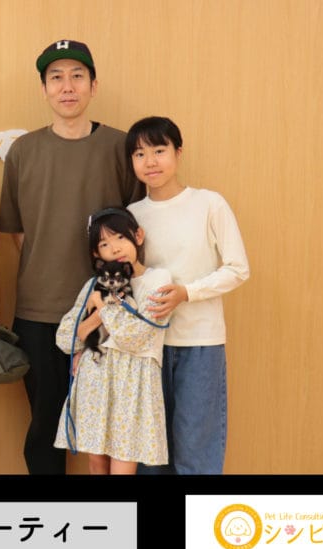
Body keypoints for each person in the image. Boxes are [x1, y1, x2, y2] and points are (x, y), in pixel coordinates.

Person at [0, 39, 143, 474]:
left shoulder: (121, 147)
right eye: (56, 78)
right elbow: (19, 232)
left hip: (110, 310)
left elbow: (135, 228)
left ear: (93, 86)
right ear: (44, 89)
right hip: (39, 311)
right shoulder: (23, 151)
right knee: (45, 425)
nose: (67, 86)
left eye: (77, 76)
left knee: (114, 430)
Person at [126, 116, 250, 475]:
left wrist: (187, 293)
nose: (150, 162)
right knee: (150, 455)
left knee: (196, 449)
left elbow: (238, 268)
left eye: (159, 150)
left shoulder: (209, 203)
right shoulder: (132, 215)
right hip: (148, 347)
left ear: (178, 153)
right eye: (139, 154)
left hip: (200, 342)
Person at [52, 207, 171, 474]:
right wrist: (97, 315)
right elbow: (65, 338)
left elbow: (134, 337)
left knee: (122, 464)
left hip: (133, 380)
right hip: (96, 376)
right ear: (97, 254)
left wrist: (100, 306)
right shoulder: (92, 285)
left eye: (119, 237)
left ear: (137, 236)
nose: (114, 248)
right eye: (104, 244)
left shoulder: (158, 280)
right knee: (97, 464)